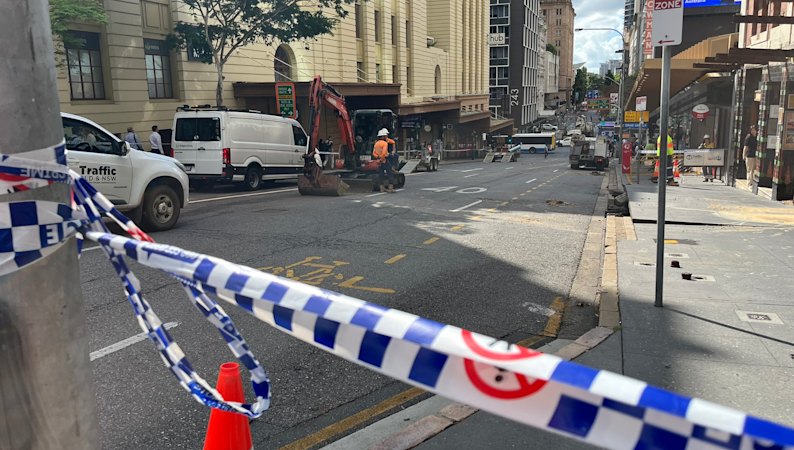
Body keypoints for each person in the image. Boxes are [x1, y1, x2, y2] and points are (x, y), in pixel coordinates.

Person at [372, 128, 394, 193]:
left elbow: (374, 153)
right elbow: (384, 153)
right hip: (384, 160)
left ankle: (382, 189)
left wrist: (378, 158)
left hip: (378, 160)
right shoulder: (384, 143)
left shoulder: (376, 143)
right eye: (386, 136)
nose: (387, 137)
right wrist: (382, 159)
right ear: (383, 136)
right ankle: (390, 188)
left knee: (381, 174)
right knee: (390, 173)